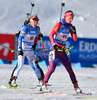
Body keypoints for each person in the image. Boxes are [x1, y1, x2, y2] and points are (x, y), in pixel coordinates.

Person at [41, 10, 82, 94]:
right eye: (70, 18)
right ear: (66, 17)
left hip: (62, 51)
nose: (71, 20)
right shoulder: (59, 24)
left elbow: (74, 39)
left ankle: (76, 87)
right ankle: (44, 86)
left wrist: (74, 32)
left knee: (69, 69)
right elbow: (51, 35)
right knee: (52, 68)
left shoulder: (70, 26)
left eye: (72, 18)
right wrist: (54, 44)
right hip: (54, 49)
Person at [8, 15, 44, 87]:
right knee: (20, 65)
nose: (36, 22)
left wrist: (39, 37)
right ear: (31, 21)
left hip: (29, 49)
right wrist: (20, 49)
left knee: (35, 64)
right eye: (34, 21)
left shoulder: (37, 28)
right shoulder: (26, 27)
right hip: (23, 48)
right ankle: (12, 81)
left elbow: (36, 36)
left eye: (37, 21)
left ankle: (41, 80)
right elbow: (20, 39)